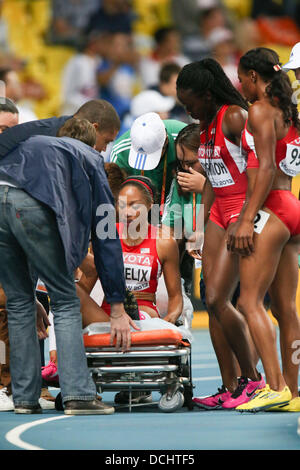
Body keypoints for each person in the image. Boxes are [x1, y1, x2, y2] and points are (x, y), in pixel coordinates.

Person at [0, 117, 137, 415]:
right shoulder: (89, 158)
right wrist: (116, 305)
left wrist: (33, 292)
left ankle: (24, 398)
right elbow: (105, 235)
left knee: (19, 303)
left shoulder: (32, 141)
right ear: (92, 142)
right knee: (64, 301)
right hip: (27, 203)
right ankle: (77, 395)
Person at [176, 59, 264, 410]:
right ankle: (230, 386)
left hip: (241, 209)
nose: (187, 109)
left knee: (218, 298)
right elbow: (213, 176)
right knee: (211, 302)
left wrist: (246, 219)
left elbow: (259, 168)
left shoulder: (234, 117)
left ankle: (253, 380)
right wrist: (198, 226)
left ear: (207, 94)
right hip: (217, 211)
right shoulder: (207, 122)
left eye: (189, 102)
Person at [229, 47, 300, 412]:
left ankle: (275, 387)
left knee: (249, 300)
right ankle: (294, 391)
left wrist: (245, 218)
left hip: (272, 207)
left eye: (241, 79)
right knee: (286, 307)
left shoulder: (259, 110)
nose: (240, 85)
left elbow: (267, 167)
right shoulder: (291, 111)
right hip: (292, 208)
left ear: (254, 77)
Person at [110, 112, 186, 217]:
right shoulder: (120, 152)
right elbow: (117, 200)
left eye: (151, 155)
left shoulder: (183, 137)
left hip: (179, 207)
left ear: (166, 141)